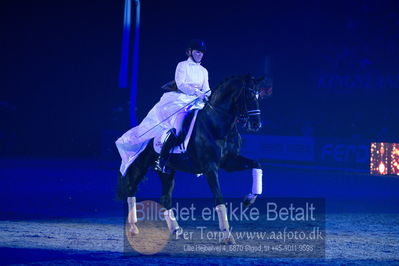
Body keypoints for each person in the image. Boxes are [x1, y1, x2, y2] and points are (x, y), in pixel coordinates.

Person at [115, 39, 211, 175]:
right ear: (190, 52)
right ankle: (162, 159)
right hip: (179, 99)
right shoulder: (182, 66)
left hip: (197, 101)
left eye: (201, 53)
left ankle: (199, 158)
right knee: (178, 126)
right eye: (197, 52)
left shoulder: (204, 71)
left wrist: (208, 95)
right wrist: (197, 92)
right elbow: (181, 84)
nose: (200, 55)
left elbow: (207, 88)